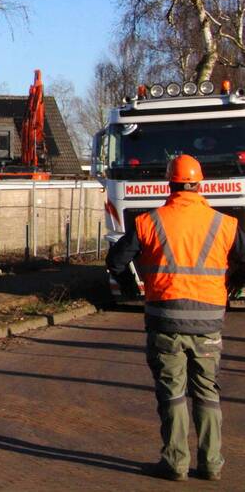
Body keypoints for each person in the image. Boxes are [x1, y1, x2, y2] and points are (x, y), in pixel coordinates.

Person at [107, 154, 245, 481]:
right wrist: (232, 286)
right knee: (207, 392)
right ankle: (211, 463)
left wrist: (130, 290)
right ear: (200, 184)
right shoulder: (225, 224)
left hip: (164, 321)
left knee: (172, 392)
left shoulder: (148, 222)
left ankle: (175, 463)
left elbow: (115, 260)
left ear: (169, 183)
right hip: (209, 323)